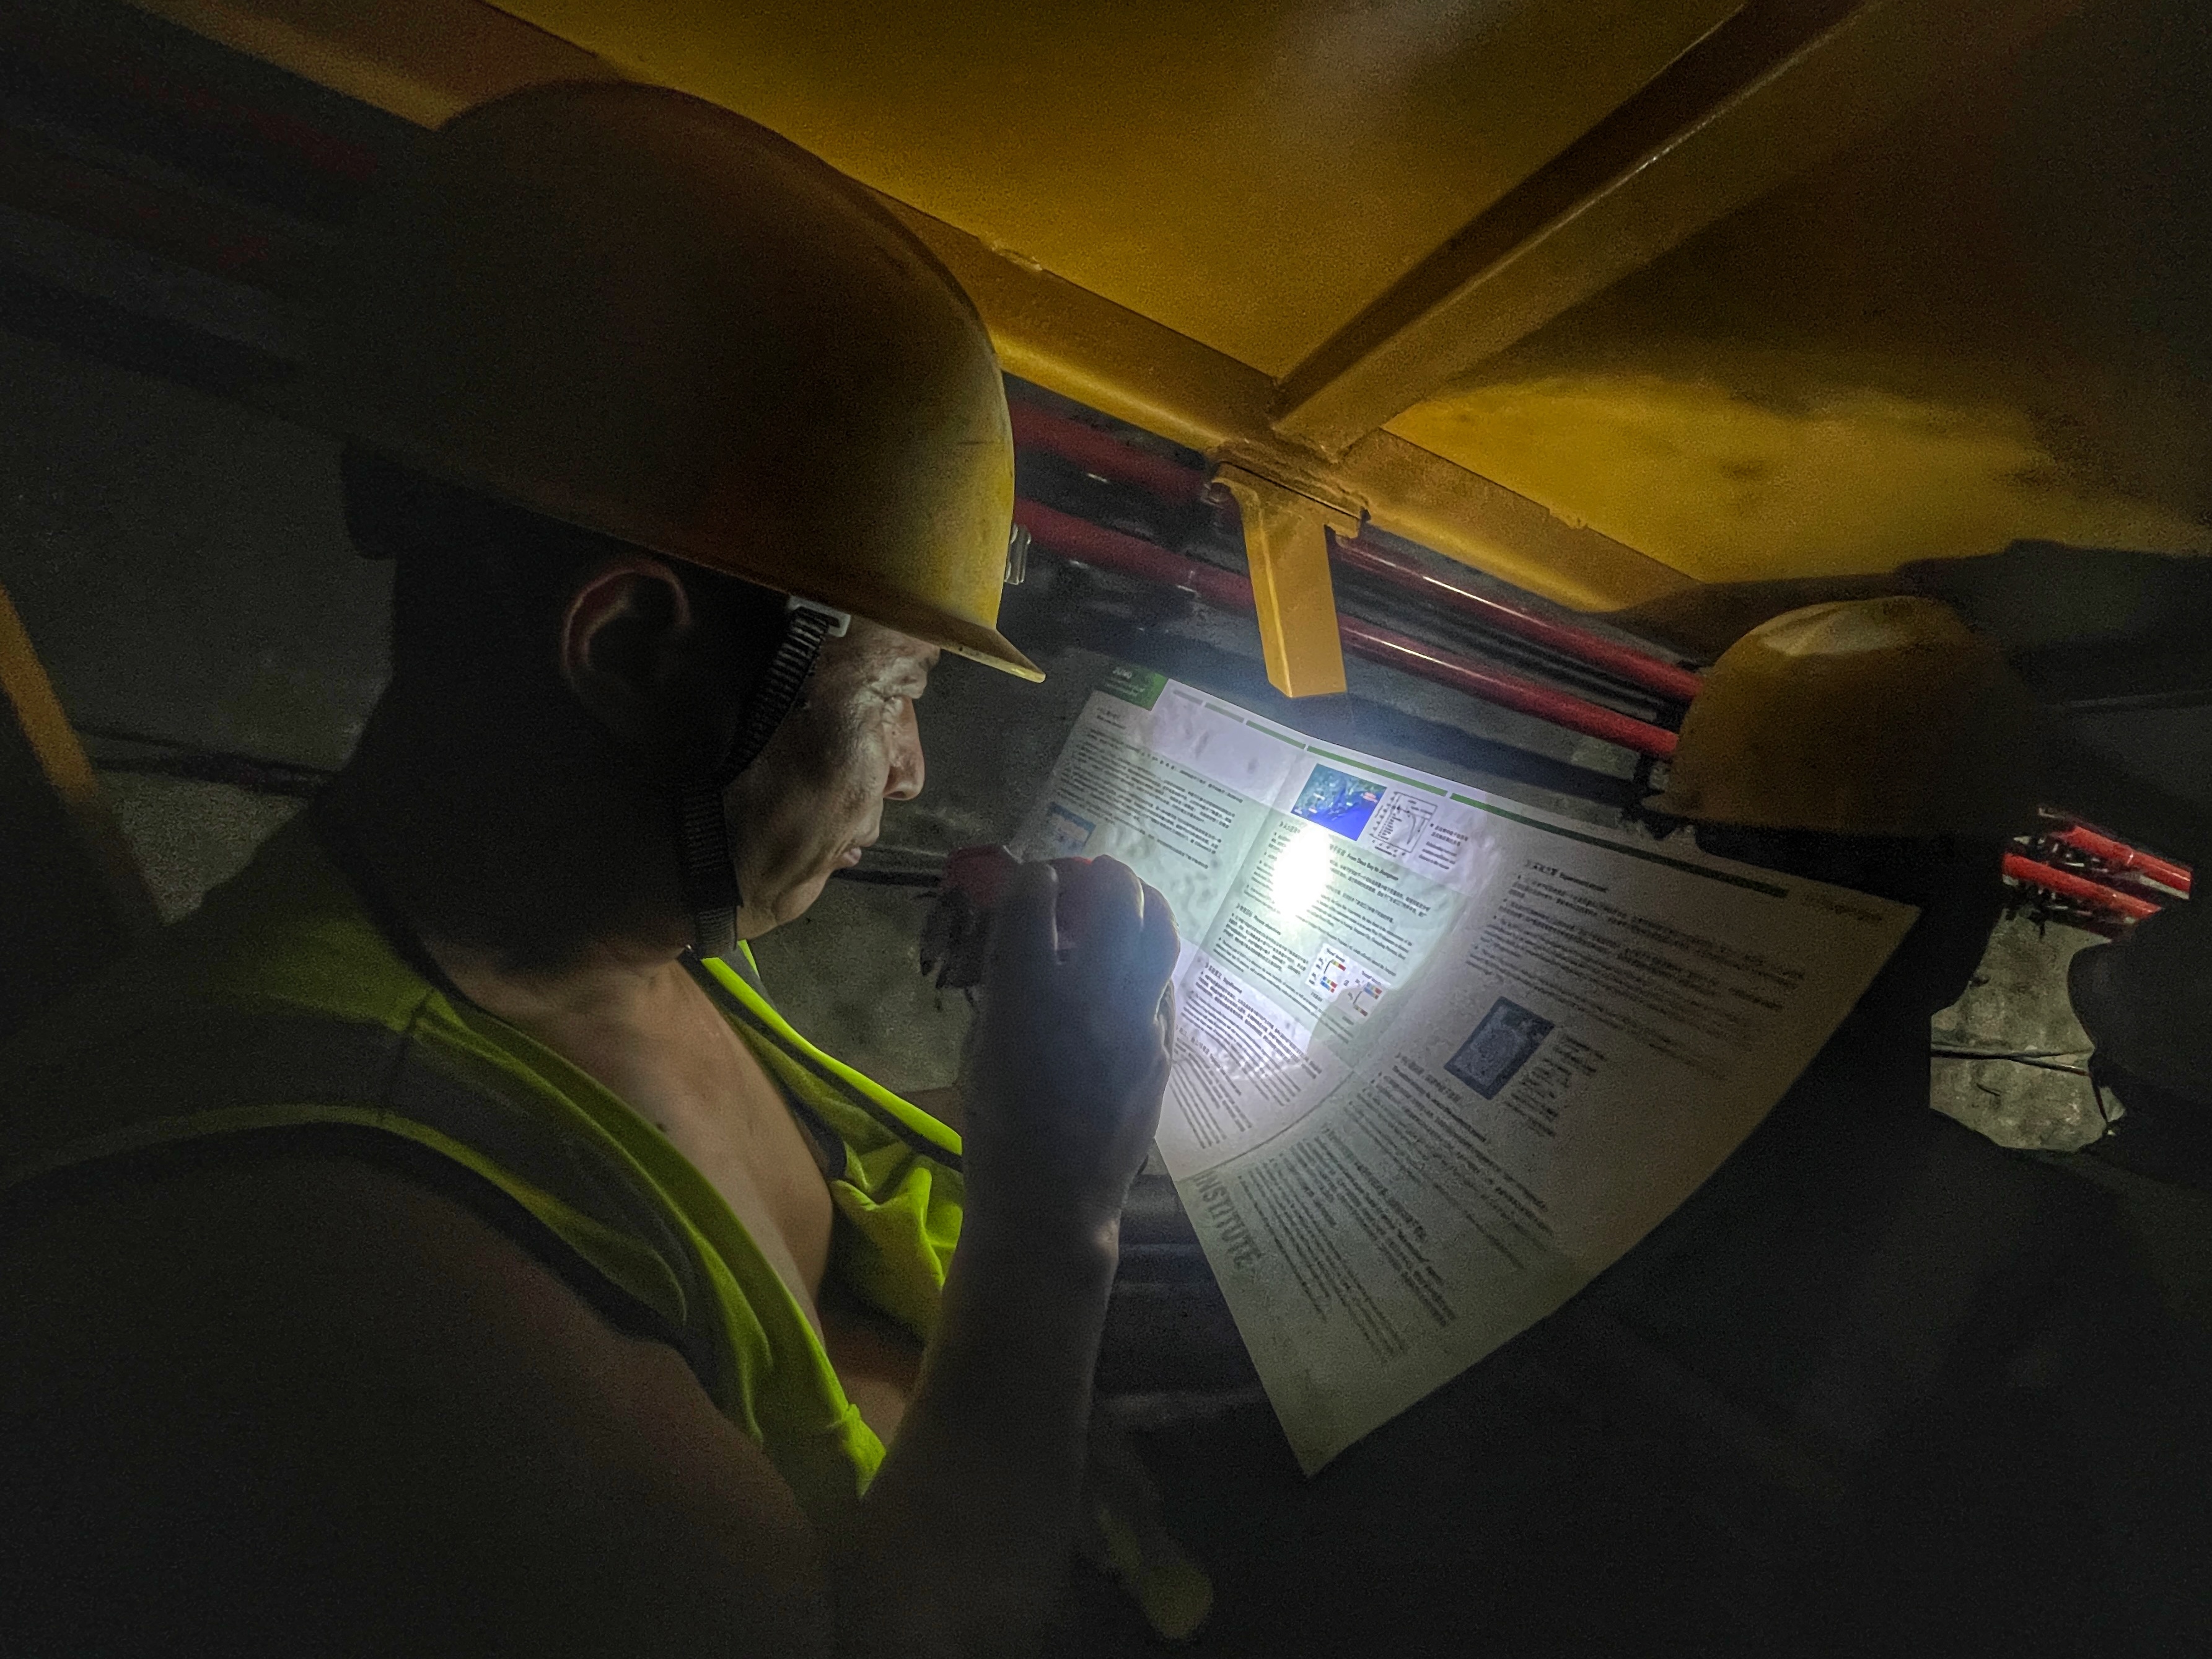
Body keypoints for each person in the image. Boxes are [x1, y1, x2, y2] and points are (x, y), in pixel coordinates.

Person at [0, 83, 1179, 1657]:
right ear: (631, 649)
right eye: (894, 692)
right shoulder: (357, 1269)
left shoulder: (607, 925)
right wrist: (1057, 1219)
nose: (908, 771)